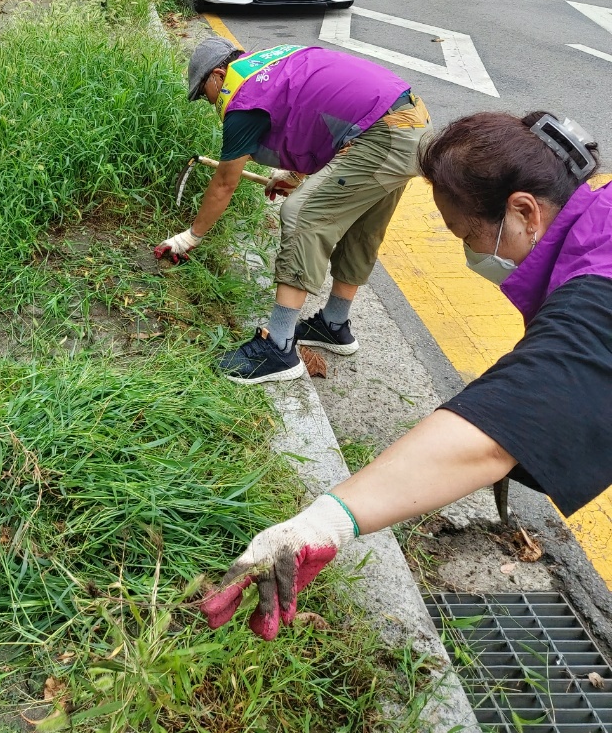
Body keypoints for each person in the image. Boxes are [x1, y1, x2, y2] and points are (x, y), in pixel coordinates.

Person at [199, 110, 609, 641]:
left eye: (470, 237)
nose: (473, 255)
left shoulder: (601, 289)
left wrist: (320, 525)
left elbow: (509, 420)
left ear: (525, 211)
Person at [155, 36, 431, 383]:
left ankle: (279, 348)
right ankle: (334, 325)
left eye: (203, 93)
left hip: (381, 133)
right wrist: (295, 174)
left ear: (217, 75)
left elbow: (225, 183)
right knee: (362, 225)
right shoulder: (273, 66)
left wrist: (190, 238)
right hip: (409, 122)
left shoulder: (242, 97)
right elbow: (317, 112)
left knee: (301, 215)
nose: (207, 102)